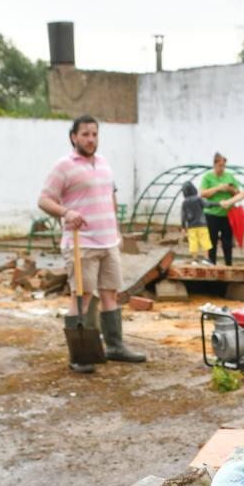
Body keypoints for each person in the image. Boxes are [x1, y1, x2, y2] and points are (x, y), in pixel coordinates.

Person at [38, 115, 146, 372]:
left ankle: (115, 346)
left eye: (94, 134)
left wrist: (117, 232)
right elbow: (44, 200)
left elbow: (110, 198)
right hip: (81, 243)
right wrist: (66, 213)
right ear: (74, 136)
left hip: (108, 242)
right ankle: (80, 354)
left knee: (110, 293)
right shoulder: (63, 166)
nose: (90, 139)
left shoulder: (104, 164)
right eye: (85, 134)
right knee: (82, 297)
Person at [199, 153, 240, 266]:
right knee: (212, 240)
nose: (222, 168)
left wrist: (229, 189)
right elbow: (203, 193)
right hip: (211, 214)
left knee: (227, 241)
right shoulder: (208, 177)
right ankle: (212, 263)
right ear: (215, 164)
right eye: (220, 165)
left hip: (227, 214)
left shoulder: (230, 176)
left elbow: (238, 193)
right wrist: (218, 188)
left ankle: (228, 263)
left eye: (223, 166)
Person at [180, 182, 211, 264]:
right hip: (202, 225)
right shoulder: (198, 199)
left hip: (191, 226)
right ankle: (206, 259)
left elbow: (183, 215)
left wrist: (183, 227)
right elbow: (207, 204)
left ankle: (194, 260)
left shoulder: (185, 202)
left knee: (193, 243)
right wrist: (219, 204)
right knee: (205, 242)